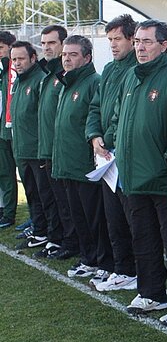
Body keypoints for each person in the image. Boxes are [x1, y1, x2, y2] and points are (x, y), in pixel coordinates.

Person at [113, 19, 167, 320]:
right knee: (143, 241)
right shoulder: (131, 77)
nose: (141, 47)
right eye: (137, 42)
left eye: (147, 42)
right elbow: (119, 117)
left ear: (164, 45)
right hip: (133, 178)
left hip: (162, 180)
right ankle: (152, 294)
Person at [52, 35, 113, 282]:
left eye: (73, 54)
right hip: (67, 165)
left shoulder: (93, 82)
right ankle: (88, 259)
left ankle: (102, 261)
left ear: (87, 57)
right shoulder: (67, 83)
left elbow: (95, 120)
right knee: (79, 218)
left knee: (95, 219)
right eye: (64, 54)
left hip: (86, 167)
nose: (66, 59)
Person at [85, 14, 138, 292]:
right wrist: (95, 138)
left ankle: (135, 270)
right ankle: (122, 268)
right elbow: (96, 108)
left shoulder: (135, 70)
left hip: (123, 156)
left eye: (118, 39)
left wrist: (112, 143)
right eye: (110, 40)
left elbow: (123, 114)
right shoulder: (109, 70)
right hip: (106, 159)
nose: (113, 45)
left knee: (132, 219)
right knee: (113, 217)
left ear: (132, 38)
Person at [9, 41, 63, 254]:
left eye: (21, 58)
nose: (17, 63)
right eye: (14, 59)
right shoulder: (19, 82)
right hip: (22, 150)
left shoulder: (39, 79)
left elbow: (45, 118)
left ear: (33, 58)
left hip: (37, 151)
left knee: (45, 196)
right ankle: (39, 230)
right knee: (32, 194)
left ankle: (50, 233)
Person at [37, 25, 80, 260]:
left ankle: (71, 242)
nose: (47, 48)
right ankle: (63, 239)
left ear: (64, 44)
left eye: (52, 43)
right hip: (49, 150)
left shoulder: (61, 76)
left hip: (62, 152)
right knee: (56, 202)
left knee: (67, 204)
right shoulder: (49, 74)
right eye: (43, 43)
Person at [0, 31, 18, 229]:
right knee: (4, 172)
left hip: (15, 131)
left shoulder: (15, 71)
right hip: (2, 130)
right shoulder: (3, 71)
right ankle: (6, 210)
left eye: (1, 48)